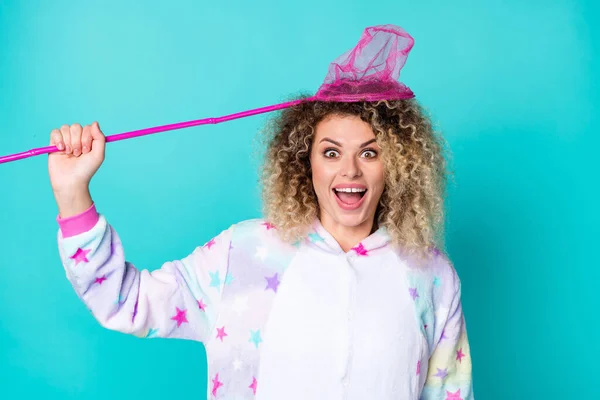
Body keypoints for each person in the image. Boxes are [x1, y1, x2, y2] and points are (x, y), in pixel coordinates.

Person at [49, 25, 474, 400]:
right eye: (331, 152)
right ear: (304, 161)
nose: (350, 170)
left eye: (369, 152)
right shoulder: (243, 253)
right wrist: (73, 194)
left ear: (397, 163)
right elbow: (126, 300)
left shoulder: (431, 276)